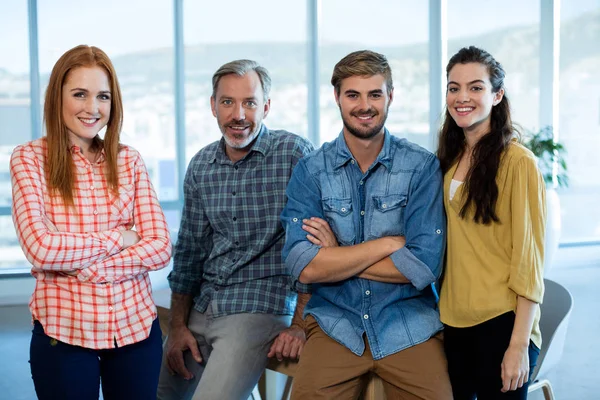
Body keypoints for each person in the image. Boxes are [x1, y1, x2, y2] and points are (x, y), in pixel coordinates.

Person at [280, 50, 452, 399]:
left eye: (375, 94)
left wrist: (336, 257)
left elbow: (423, 265)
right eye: (353, 94)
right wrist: (388, 244)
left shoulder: (421, 167)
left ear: (391, 95)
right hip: (334, 324)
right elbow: (303, 266)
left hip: (408, 324)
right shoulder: (311, 170)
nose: (364, 105)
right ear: (337, 97)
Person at [9, 45, 172, 400]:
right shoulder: (29, 159)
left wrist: (86, 268)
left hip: (135, 330)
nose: (92, 108)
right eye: (79, 94)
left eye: (103, 96)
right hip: (64, 333)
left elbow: (160, 247)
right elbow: (41, 248)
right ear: (58, 98)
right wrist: (122, 237)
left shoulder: (128, 160)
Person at [157, 59, 314, 400]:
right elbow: (189, 252)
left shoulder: (293, 154)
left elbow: (312, 247)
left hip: (258, 308)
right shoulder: (201, 165)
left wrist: (302, 325)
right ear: (213, 106)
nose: (238, 115)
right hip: (204, 305)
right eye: (227, 102)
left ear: (266, 107)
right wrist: (179, 326)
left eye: (250, 103)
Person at [437, 46, 546, 399]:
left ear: (497, 95)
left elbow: (529, 262)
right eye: (454, 87)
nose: (462, 97)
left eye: (475, 87)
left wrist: (517, 346)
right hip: (453, 321)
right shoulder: (449, 160)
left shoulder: (519, 162)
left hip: (503, 324)